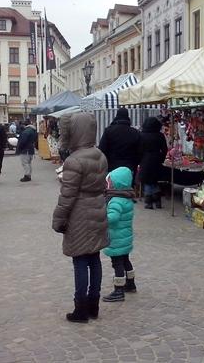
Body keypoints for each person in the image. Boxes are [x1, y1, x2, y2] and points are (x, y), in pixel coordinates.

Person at [52, 112, 108, 323]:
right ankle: (93, 305)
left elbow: (68, 196)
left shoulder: (74, 160)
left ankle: (81, 309)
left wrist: (58, 219)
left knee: (80, 260)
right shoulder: (100, 155)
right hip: (97, 208)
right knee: (94, 258)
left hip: (80, 214)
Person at [103, 167, 137, 302]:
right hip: (124, 237)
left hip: (116, 238)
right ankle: (131, 283)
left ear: (116, 183)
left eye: (110, 181)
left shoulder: (116, 200)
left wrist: (102, 217)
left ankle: (119, 290)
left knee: (117, 263)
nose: (108, 184)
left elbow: (112, 218)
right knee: (125, 260)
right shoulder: (126, 197)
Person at [98, 108, 141, 184]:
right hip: (129, 167)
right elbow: (139, 151)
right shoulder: (135, 132)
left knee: (112, 188)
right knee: (127, 189)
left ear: (116, 116)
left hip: (112, 167)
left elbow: (102, 149)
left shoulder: (109, 131)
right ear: (128, 116)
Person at [138, 117, 168, 209]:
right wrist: (162, 159)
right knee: (154, 181)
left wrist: (139, 160)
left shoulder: (141, 135)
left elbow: (138, 149)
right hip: (156, 159)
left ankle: (149, 202)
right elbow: (164, 149)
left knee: (147, 181)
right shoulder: (160, 135)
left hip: (145, 159)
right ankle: (157, 200)